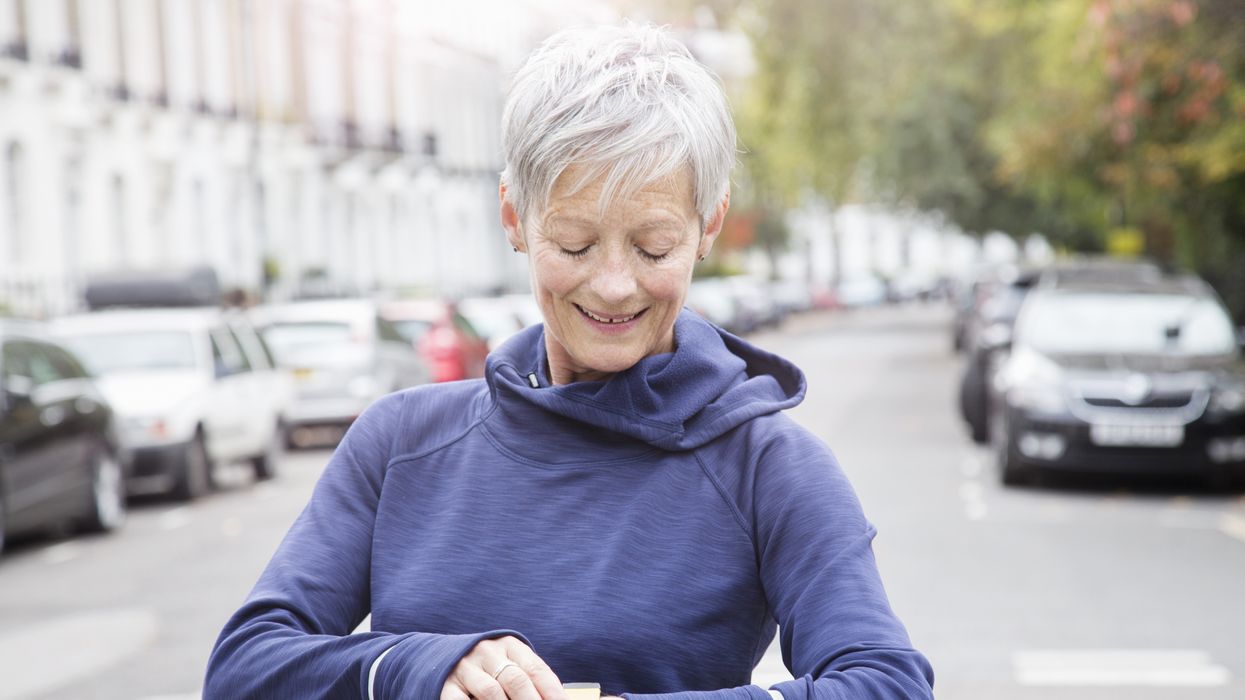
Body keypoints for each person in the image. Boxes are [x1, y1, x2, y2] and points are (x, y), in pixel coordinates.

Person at [205, 23, 934, 700]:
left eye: (652, 246)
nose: (613, 285)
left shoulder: (766, 463)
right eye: (575, 244)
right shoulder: (399, 443)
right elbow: (245, 670)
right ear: (514, 218)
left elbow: (883, 682)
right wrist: (415, 667)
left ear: (707, 223)